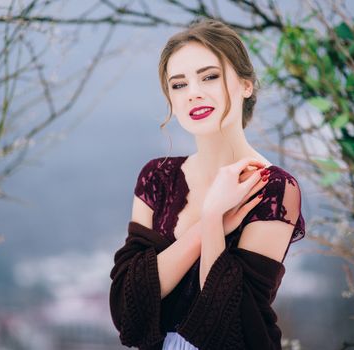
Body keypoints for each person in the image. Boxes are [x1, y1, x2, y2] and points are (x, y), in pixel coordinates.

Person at [109, 18, 306, 350]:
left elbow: (228, 329)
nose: (193, 93)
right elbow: (127, 310)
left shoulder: (274, 189)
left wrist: (215, 217)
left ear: (246, 85)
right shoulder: (156, 179)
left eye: (209, 77)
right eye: (179, 84)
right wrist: (206, 225)